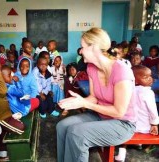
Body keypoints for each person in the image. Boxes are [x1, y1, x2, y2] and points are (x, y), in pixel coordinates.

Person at [56, 27, 137, 162]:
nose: (80, 51)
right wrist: (78, 101)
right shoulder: (91, 68)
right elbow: (93, 97)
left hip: (122, 123)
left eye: (82, 47)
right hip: (101, 116)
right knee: (62, 127)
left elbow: (118, 112)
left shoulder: (121, 71)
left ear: (94, 48)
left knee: (77, 134)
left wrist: (84, 103)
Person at [115, 65, 159, 161]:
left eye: (150, 76)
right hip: (145, 128)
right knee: (155, 127)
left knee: (125, 136)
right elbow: (153, 111)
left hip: (129, 126)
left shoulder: (129, 90)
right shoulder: (148, 93)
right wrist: (154, 124)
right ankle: (147, 147)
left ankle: (121, 154)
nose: (150, 79)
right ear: (135, 80)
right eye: (145, 77)